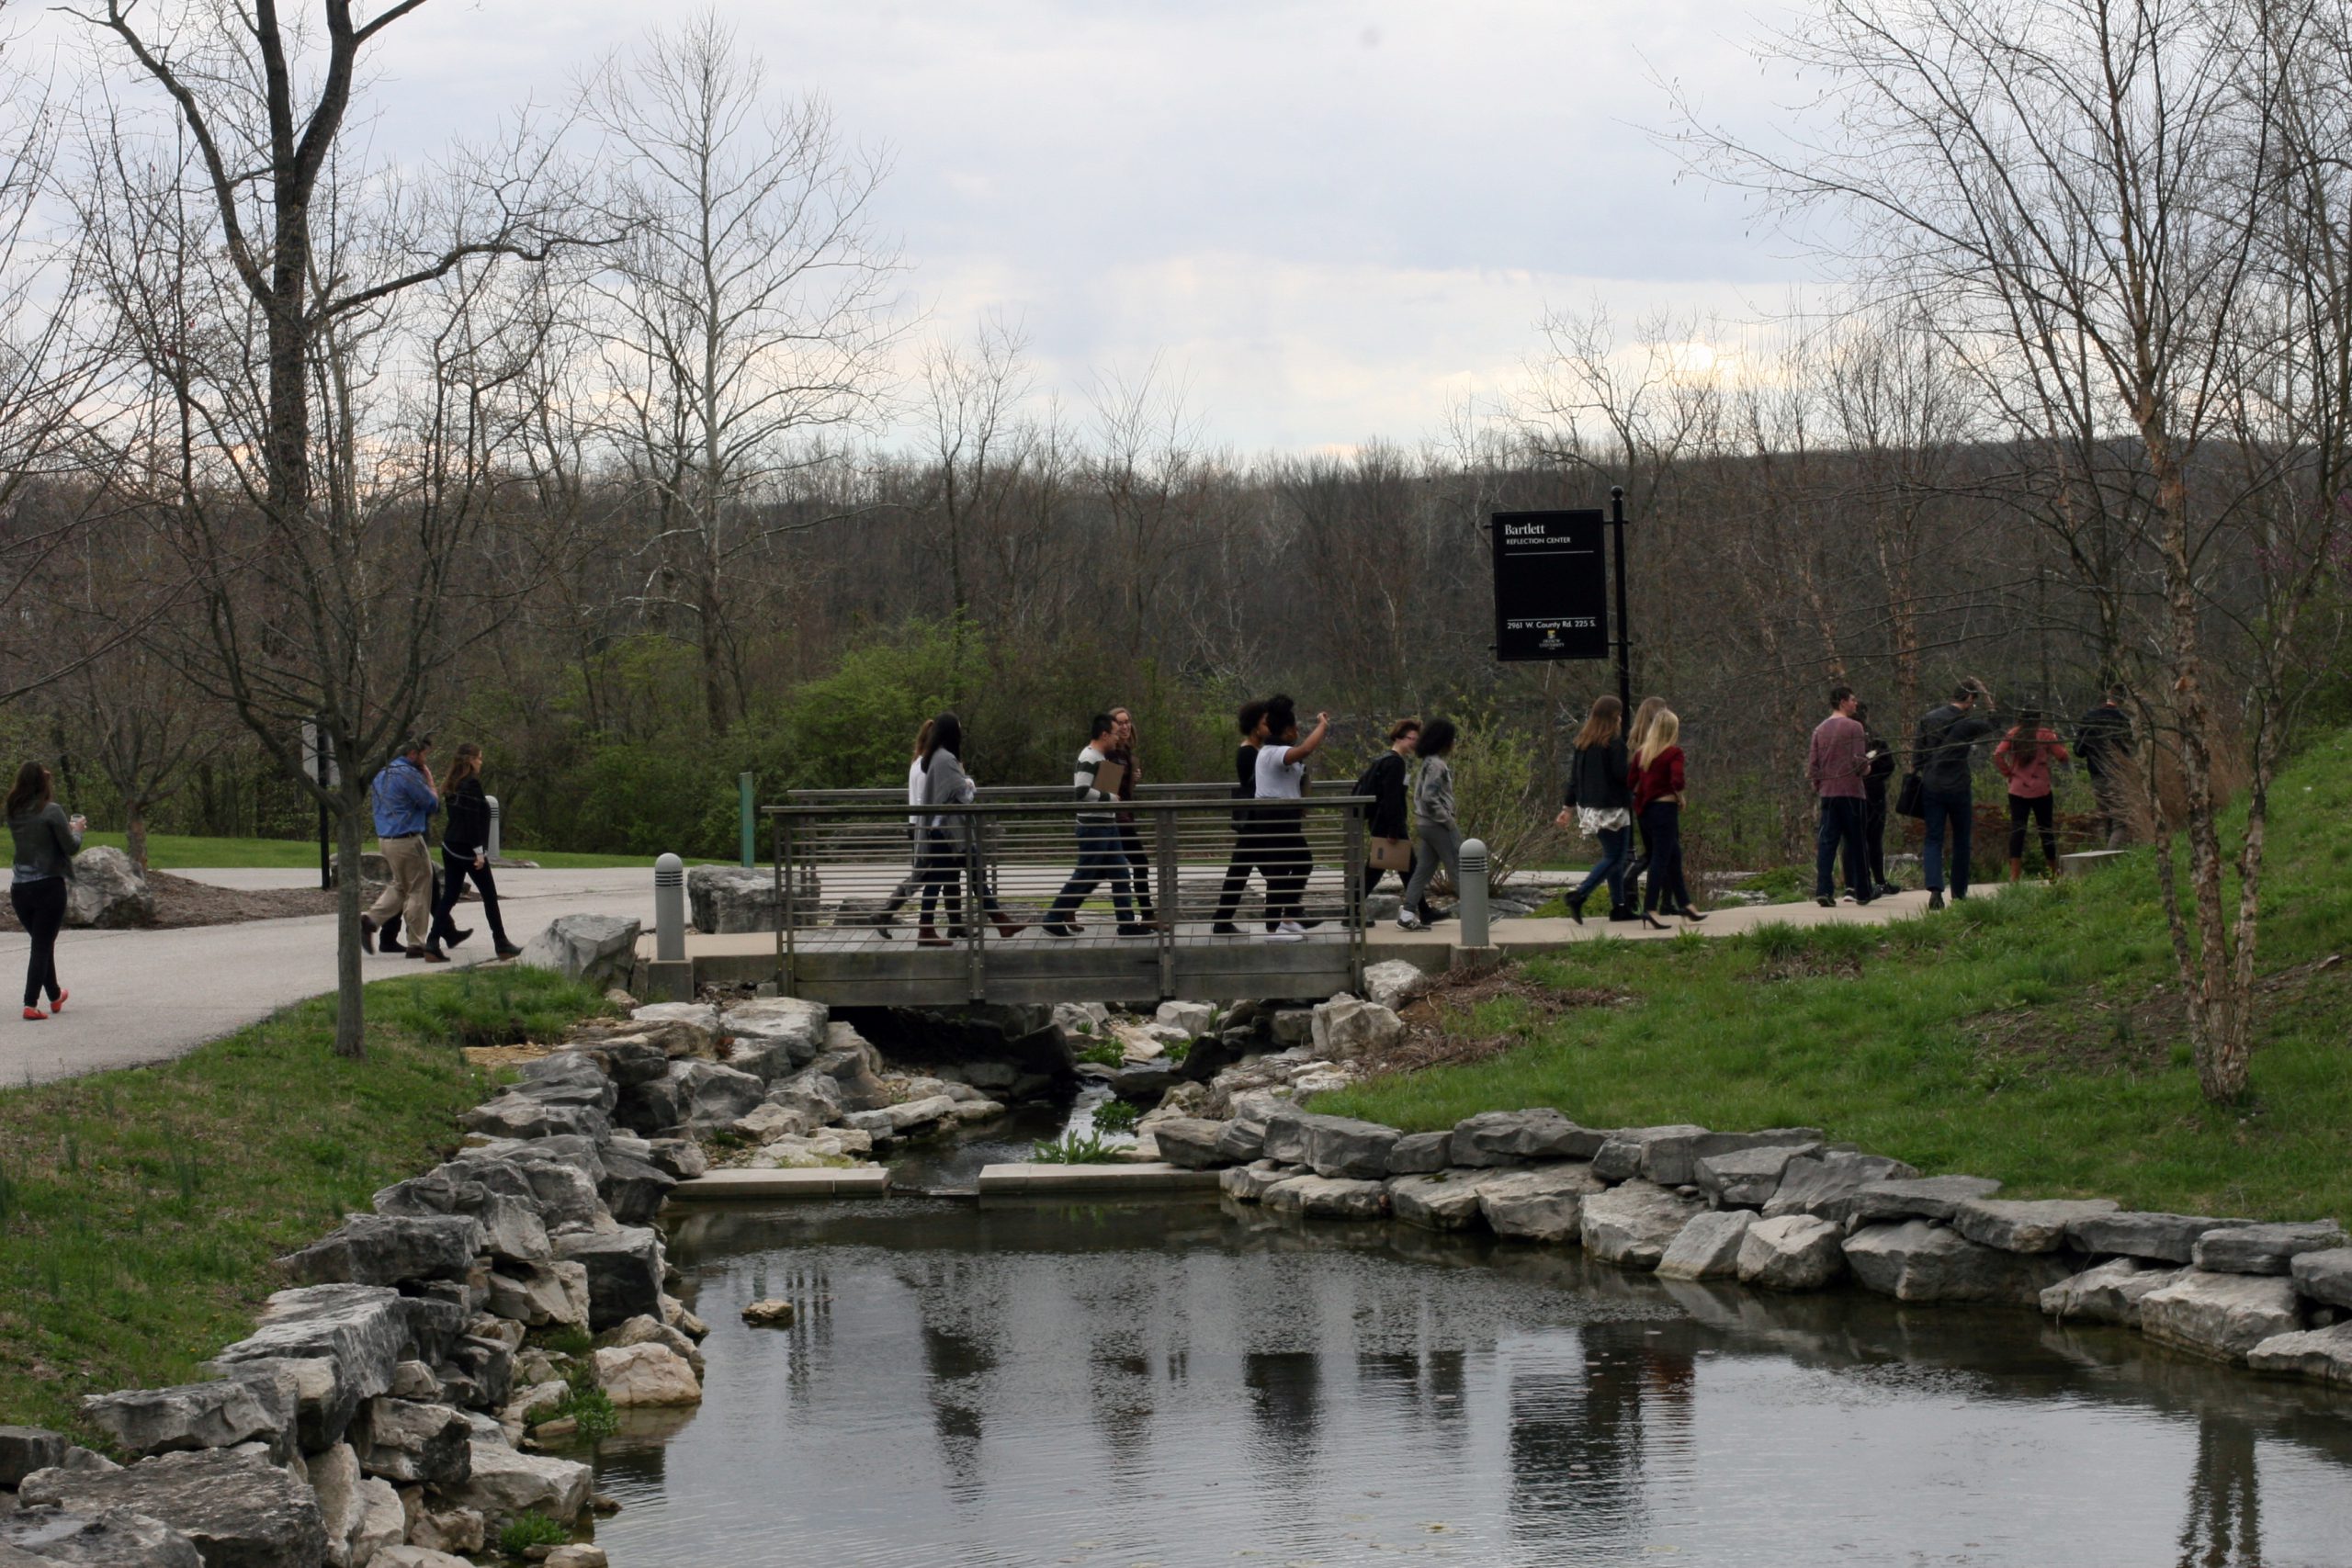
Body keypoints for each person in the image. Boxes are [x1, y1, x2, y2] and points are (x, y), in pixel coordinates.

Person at [914, 714, 1025, 947]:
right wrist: (969, 783)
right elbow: (963, 795)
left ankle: (1000, 920)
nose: (961, 733)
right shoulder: (945, 759)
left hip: (947, 830)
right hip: (948, 831)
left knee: (972, 874)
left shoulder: (937, 756)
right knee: (942, 877)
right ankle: (926, 929)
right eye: (959, 728)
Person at [1044, 713, 1150, 938]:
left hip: (1107, 825)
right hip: (1093, 827)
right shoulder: (1089, 757)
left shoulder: (1102, 759)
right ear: (1104, 735)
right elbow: (1081, 791)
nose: (1116, 738)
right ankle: (1053, 917)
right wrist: (1109, 799)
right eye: (1113, 734)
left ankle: (1126, 924)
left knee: (1121, 874)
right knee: (1085, 874)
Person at [427, 743, 521, 960]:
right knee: (489, 895)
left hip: (450, 845)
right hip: (467, 849)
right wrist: (479, 852)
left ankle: (432, 942)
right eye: (479, 758)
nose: (481, 762)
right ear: (470, 760)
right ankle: (501, 942)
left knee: (449, 896)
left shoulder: (452, 784)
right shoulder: (471, 785)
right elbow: (471, 822)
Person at [1912, 680, 1998, 910]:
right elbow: (1994, 722)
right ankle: (1959, 893)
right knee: (1961, 840)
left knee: (1933, 838)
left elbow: (1917, 757)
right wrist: (1986, 693)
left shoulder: (1928, 719)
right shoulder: (1967, 723)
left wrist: (1926, 771)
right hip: (1959, 785)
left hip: (1932, 785)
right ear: (1970, 699)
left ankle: (1935, 890)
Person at [6, 762, 83, 1020]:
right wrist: (78, 831)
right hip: (49, 887)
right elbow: (70, 847)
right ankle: (30, 1003)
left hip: (20, 889)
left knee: (42, 942)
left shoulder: (13, 810)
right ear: (44, 784)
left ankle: (54, 994)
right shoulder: (52, 811)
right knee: (41, 945)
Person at [361, 738, 445, 963]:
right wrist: (430, 781)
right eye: (424, 754)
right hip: (407, 839)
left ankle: (371, 920)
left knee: (401, 883)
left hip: (385, 838)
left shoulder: (382, 773)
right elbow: (432, 804)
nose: (425, 760)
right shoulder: (409, 775)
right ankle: (416, 943)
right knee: (419, 888)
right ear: (412, 754)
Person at [1254, 697, 1330, 942]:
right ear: (1287, 731)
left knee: (1301, 862)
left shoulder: (1277, 751)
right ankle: (1275, 925)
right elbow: (1306, 749)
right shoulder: (1273, 752)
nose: (1298, 733)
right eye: (1296, 729)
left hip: (1286, 815)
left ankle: (1288, 916)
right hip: (1273, 816)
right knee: (1281, 868)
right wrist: (1322, 726)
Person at [1555, 695, 1633, 923]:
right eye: (1618, 714)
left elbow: (1574, 779)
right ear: (1613, 717)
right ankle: (1580, 894)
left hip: (1590, 808)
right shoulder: (1615, 744)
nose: (1620, 718)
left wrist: (1567, 807)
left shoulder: (1583, 743)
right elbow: (1623, 775)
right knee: (1615, 857)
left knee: (1614, 857)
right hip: (1614, 808)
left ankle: (1619, 906)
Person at [1631, 706, 1701, 926]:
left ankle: (1686, 905)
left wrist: (1645, 792)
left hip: (1644, 812)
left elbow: (1630, 781)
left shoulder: (1642, 753)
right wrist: (1680, 797)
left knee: (1674, 856)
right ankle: (1650, 908)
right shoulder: (1673, 753)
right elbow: (1677, 779)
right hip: (1664, 810)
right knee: (1661, 859)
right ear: (1672, 730)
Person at [1808, 684, 1873, 908]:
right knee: (1857, 843)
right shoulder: (1854, 727)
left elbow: (1813, 765)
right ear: (1843, 701)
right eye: (1853, 699)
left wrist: (1821, 786)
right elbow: (1858, 761)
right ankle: (1863, 890)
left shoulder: (1819, 730)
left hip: (1828, 793)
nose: (1856, 703)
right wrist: (1867, 768)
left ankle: (1824, 889)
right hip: (1852, 792)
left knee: (1827, 843)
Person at [1211, 699, 1272, 936]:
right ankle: (1283, 917)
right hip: (1254, 822)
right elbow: (1256, 784)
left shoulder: (1256, 751)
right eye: (1266, 723)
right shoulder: (1248, 752)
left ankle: (1223, 919)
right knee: (1271, 872)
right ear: (1256, 726)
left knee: (1240, 870)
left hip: (1255, 823)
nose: (1269, 727)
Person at [1398, 717, 1461, 932]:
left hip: (1424, 823)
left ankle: (1407, 913)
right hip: (1437, 824)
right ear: (1444, 741)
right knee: (1459, 865)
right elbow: (1429, 797)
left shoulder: (1427, 762)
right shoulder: (1437, 765)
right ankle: (1476, 914)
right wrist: (1448, 821)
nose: (1454, 743)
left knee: (1423, 869)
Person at [874, 717, 935, 937]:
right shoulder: (927, 764)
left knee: (936, 874)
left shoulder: (917, 761)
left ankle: (949, 924)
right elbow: (925, 798)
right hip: (922, 825)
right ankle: (886, 912)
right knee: (924, 875)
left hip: (915, 823)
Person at [1996, 707, 2069, 882]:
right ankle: (2052, 873)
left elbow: (1998, 754)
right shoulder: (2046, 734)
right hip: (2041, 789)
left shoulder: (2014, 734)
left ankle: (2015, 875)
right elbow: (2062, 755)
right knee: (2046, 830)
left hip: (2017, 788)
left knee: (2018, 830)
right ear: (2039, 718)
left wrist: (2008, 773)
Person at [1355, 718, 1419, 912]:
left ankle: (1423, 910)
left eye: (1417, 739)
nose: (1414, 743)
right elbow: (1391, 798)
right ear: (1399, 738)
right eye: (1411, 738)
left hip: (1381, 822)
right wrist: (1394, 828)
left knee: (1398, 869)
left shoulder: (1386, 760)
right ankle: (1423, 910)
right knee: (1404, 869)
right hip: (1389, 825)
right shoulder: (1395, 763)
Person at [1106, 706, 1158, 924]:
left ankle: (1066, 908)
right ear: (1111, 727)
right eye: (1120, 722)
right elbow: (1106, 788)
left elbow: (1120, 786)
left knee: (1097, 869)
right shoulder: (1111, 754)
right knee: (1140, 862)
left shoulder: (1124, 753)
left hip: (1124, 817)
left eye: (1127, 721)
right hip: (1118, 820)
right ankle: (1147, 914)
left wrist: (1132, 778)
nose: (1125, 726)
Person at [1622, 695, 1669, 902]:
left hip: (1639, 800)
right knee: (1665, 851)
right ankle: (1664, 900)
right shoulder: (1657, 745)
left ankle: (1631, 880)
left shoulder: (1632, 742)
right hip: (1657, 799)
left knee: (1654, 851)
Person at [2075, 687, 2134, 849]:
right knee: (2120, 821)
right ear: (2123, 699)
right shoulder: (2123, 720)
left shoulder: (2089, 718)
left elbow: (2078, 751)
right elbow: (2130, 751)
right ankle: (2110, 857)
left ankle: (2105, 861)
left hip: (2097, 777)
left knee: (2105, 818)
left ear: (2108, 695)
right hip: (2117, 777)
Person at [1858, 702, 1899, 897]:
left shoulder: (1843, 738)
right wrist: (1874, 777)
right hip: (1873, 794)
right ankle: (1876, 881)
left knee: (1857, 839)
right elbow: (1889, 765)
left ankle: (1860, 883)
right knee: (1873, 839)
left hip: (1858, 793)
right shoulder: (1874, 739)